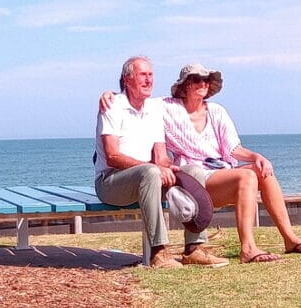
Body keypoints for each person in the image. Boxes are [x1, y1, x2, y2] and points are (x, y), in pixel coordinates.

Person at [102, 62, 301, 264]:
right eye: (197, 79)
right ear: (185, 85)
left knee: (263, 171)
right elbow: (135, 97)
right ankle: (248, 248)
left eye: (206, 80)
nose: (203, 84)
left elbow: (232, 148)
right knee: (247, 176)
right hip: (195, 175)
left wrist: (256, 157)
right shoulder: (165, 107)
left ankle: (290, 239)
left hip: (220, 172)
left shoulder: (217, 111)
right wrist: (109, 94)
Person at [94, 56, 229, 270]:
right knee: (150, 172)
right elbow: (113, 156)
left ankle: (194, 248)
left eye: (150, 75)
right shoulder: (112, 106)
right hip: (110, 182)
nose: (148, 80)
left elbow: (161, 156)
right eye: (142, 75)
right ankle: (159, 252)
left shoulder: (154, 108)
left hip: (148, 178)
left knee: (193, 171)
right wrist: (155, 169)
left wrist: (169, 167)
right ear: (127, 80)